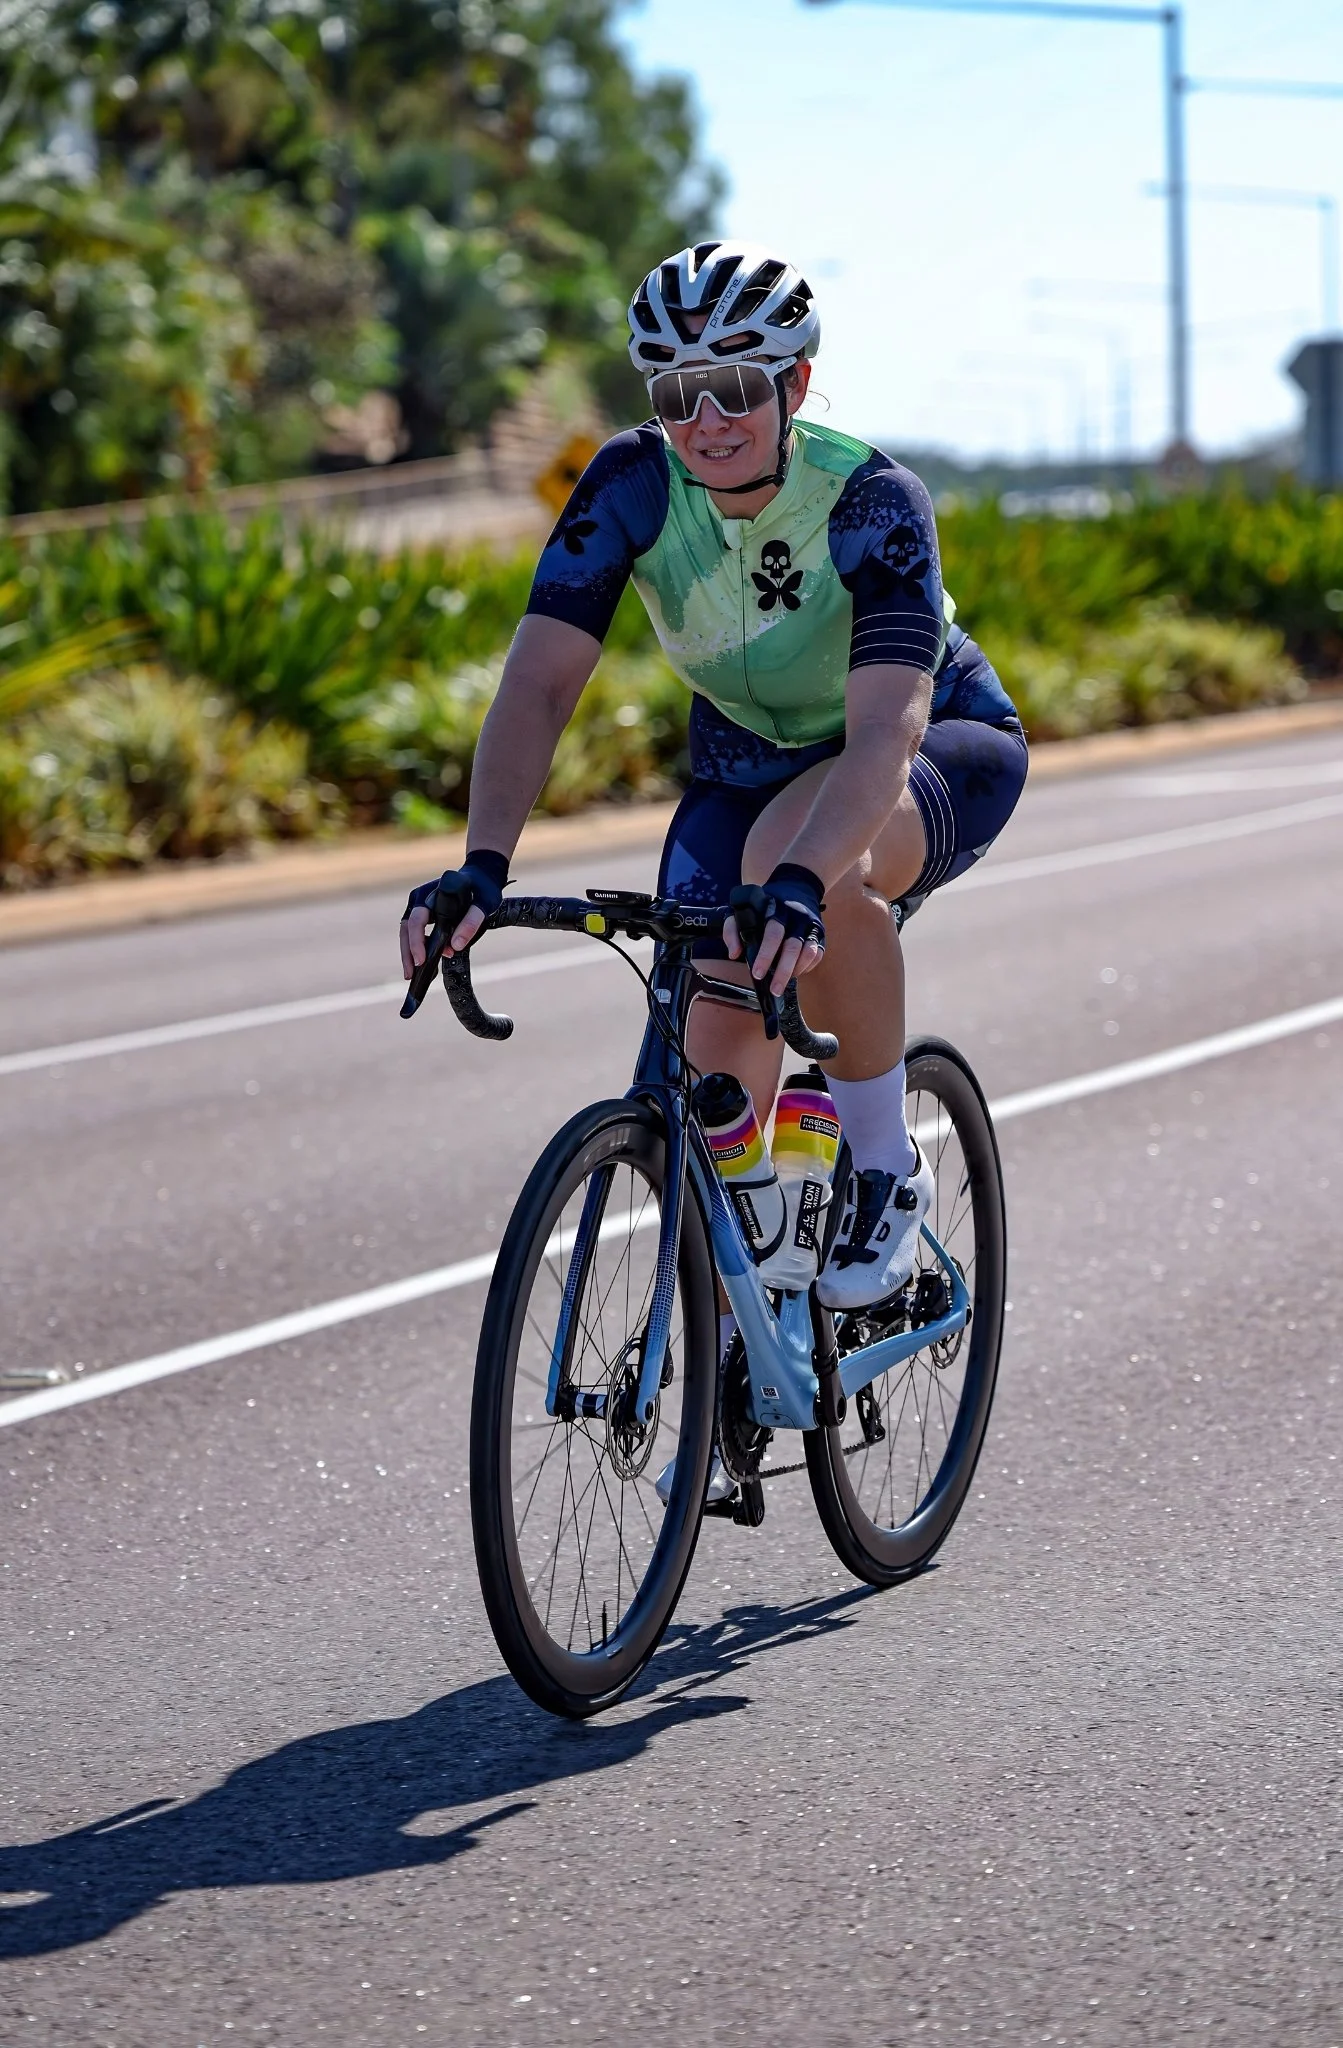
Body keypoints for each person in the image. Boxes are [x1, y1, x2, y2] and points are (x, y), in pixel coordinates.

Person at [402, 243, 1026, 1456]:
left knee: (809, 877)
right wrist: (480, 862)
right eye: (674, 393)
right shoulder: (628, 487)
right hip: (742, 767)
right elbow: (536, 687)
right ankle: (768, 1284)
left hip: (927, 737)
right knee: (713, 1063)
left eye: (735, 386)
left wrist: (800, 877)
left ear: (795, 383)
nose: (707, 419)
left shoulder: (870, 497)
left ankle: (885, 1169)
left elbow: (886, 726)